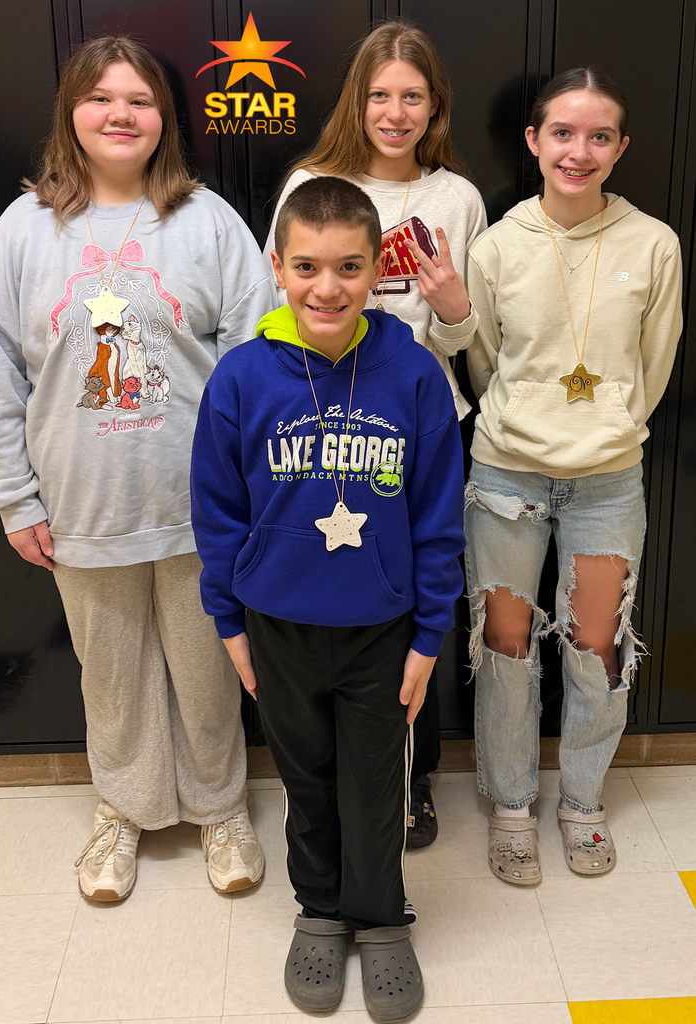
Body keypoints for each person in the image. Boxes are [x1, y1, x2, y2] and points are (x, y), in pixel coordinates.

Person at [0, 36, 277, 901]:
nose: (119, 114)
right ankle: (126, 809)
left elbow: (256, 357)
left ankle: (219, 808)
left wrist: (251, 487)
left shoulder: (207, 221)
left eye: (138, 99)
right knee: (109, 669)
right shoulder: (23, 232)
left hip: (198, 501)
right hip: (80, 504)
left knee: (208, 663)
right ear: (71, 111)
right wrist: (13, 497)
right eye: (100, 97)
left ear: (162, 118)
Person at [191, 176, 465, 1020]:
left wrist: (427, 636)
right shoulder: (240, 378)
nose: (327, 287)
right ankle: (319, 910)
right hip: (277, 623)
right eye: (306, 266)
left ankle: (381, 918)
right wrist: (230, 623)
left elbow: (434, 513)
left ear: (374, 271)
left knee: (376, 781)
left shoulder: (413, 374)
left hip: (383, 626)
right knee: (306, 776)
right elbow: (217, 511)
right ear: (277, 267)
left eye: (349, 267)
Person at [263, 19, 486, 848]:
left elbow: (467, 339)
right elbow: (273, 317)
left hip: (423, 429)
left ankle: (414, 772)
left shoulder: (455, 198)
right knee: (331, 597)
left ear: (435, 107)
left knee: (418, 595)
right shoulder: (309, 183)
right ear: (357, 100)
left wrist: (454, 307)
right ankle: (319, 771)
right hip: (326, 431)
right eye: (379, 95)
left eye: (412, 97)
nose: (394, 113)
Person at [465, 68, 682, 884]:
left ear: (620, 148)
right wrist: (529, 421)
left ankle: (582, 802)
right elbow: (482, 362)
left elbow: (653, 367)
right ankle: (511, 804)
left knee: (596, 647)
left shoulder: (653, 243)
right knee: (506, 647)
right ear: (533, 141)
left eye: (598, 137)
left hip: (606, 481)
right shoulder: (496, 244)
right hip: (505, 478)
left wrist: (607, 426)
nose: (578, 151)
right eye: (562, 133)